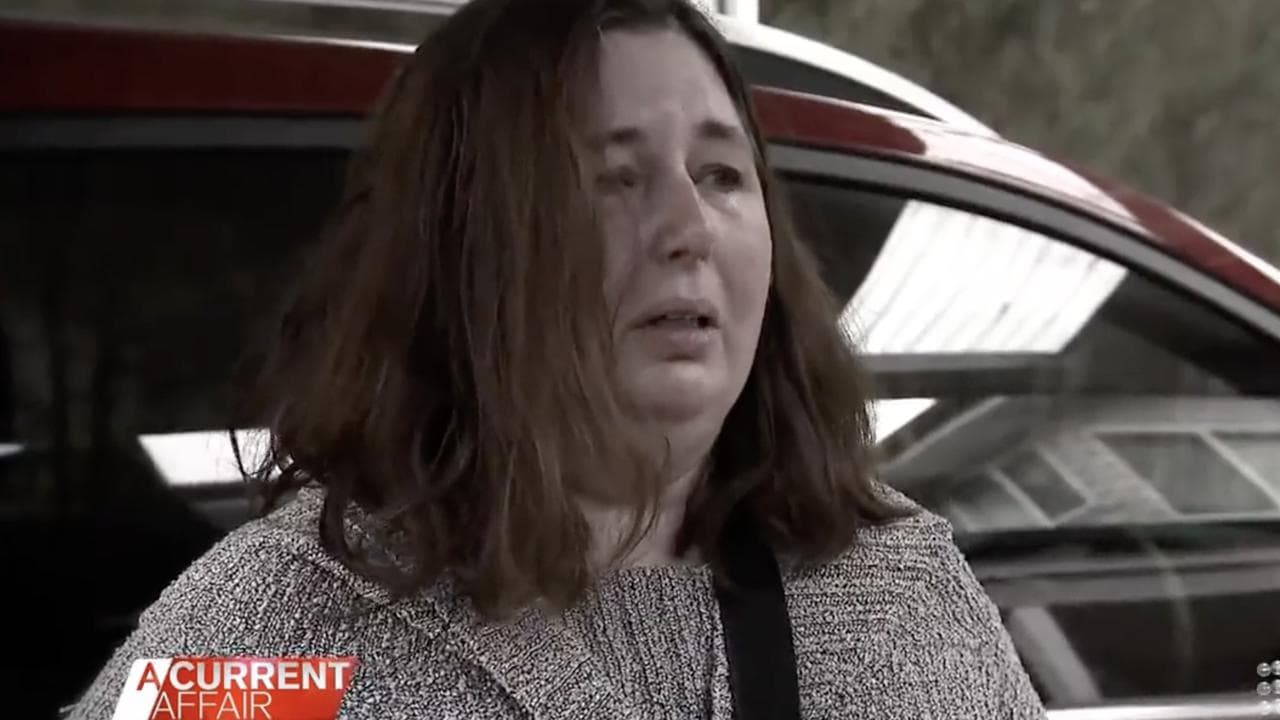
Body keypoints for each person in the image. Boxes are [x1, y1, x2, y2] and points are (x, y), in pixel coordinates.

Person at [70, 0, 1046, 717]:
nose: (687, 228)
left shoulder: (901, 601)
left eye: (719, 174)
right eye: (614, 178)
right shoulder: (274, 638)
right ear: (468, 248)